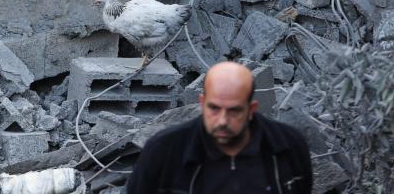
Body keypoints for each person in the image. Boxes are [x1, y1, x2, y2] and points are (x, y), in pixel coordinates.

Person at [126, 61, 312, 194]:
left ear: (251, 109)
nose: (222, 120)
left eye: (234, 110)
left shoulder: (287, 146)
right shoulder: (164, 151)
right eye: (214, 108)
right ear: (202, 102)